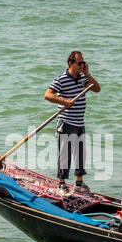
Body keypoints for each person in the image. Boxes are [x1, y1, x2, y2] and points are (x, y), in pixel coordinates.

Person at [44, 51, 101, 197]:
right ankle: (61, 184)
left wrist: (87, 74)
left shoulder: (83, 78)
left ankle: (79, 184)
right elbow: (48, 95)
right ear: (71, 63)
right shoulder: (62, 79)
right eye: (80, 63)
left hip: (79, 122)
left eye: (83, 62)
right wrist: (64, 102)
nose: (82, 65)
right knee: (65, 154)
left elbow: (97, 89)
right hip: (66, 121)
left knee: (80, 154)